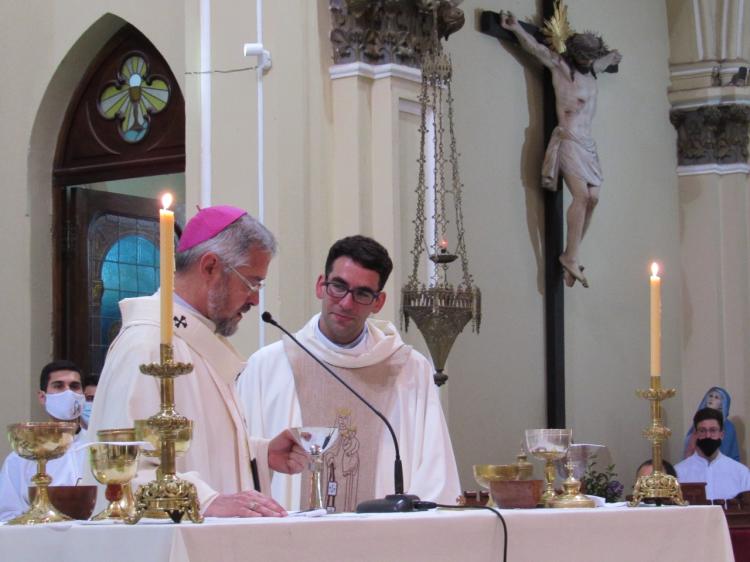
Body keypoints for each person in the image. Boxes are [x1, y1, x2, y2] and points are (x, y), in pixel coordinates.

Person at [87, 206, 306, 518]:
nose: (256, 299)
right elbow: (123, 470)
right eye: (252, 282)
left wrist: (259, 453)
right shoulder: (148, 345)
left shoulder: (194, 341)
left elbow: (196, 449)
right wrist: (206, 501)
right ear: (210, 267)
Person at [237, 235, 461, 511]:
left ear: (378, 302)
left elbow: (434, 472)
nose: (346, 303)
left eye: (362, 293)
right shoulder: (267, 366)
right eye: (338, 287)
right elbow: (239, 465)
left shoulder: (409, 370)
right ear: (321, 286)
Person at [501, 10, 622, 288]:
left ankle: (571, 254)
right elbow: (535, 48)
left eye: (593, 57)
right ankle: (570, 257)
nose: (590, 61)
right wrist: (516, 28)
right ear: (575, 53)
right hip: (568, 140)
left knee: (594, 198)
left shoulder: (592, 70)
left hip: (588, 145)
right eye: (586, 56)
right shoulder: (561, 68)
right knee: (580, 196)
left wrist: (612, 57)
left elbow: (605, 61)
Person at [0, 360, 89, 522]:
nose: (68, 392)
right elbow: (6, 514)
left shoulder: (97, 446)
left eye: (75, 386)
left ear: (82, 395)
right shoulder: (21, 457)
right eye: (58, 386)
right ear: (42, 397)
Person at [675, 407, 750, 500]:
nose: (708, 436)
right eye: (702, 430)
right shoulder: (678, 472)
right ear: (696, 434)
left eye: (713, 430)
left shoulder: (741, 472)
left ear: (721, 435)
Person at [683, 387, 739, 462]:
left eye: (716, 397)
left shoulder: (728, 426)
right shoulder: (698, 422)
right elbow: (690, 447)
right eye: (710, 396)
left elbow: (729, 451)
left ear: (722, 403)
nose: (711, 399)